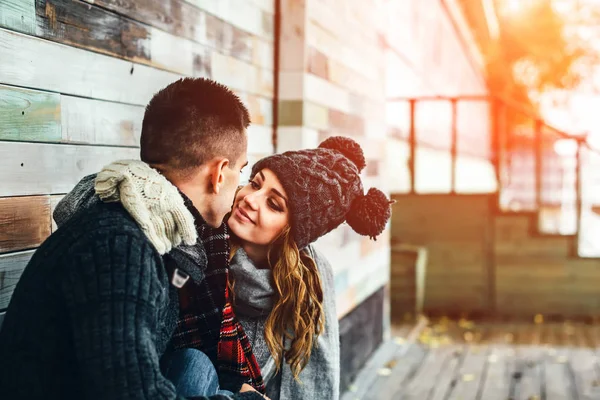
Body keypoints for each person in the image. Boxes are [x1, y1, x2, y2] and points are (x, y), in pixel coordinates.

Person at [0, 77, 266, 400]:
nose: (240, 187)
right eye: (242, 171)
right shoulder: (121, 247)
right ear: (220, 173)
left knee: (195, 364)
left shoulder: (145, 231)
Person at [226, 136, 393, 399]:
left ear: (294, 233)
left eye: (273, 204)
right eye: (254, 184)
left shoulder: (301, 288)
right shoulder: (204, 250)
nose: (250, 199)